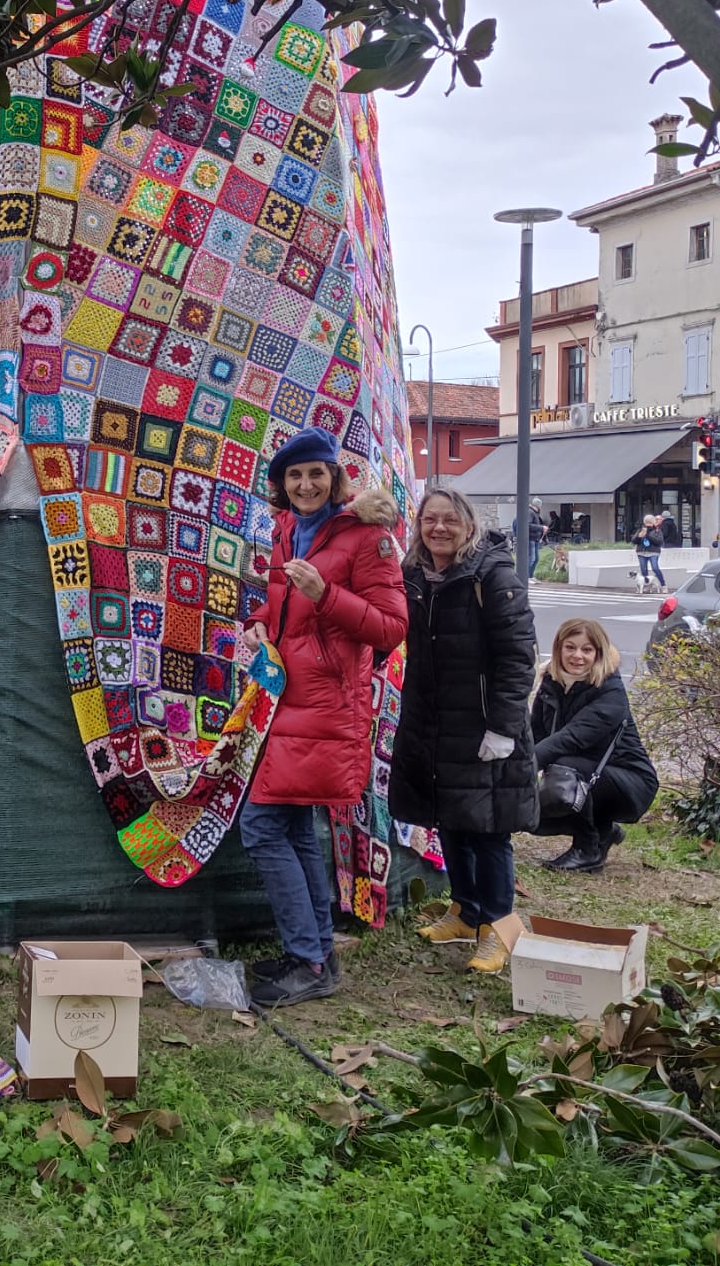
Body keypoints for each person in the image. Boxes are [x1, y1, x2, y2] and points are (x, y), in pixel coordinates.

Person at [235, 427, 408, 1007]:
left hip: (328, 705)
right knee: (292, 831)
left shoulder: (367, 538)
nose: (306, 485)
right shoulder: (289, 529)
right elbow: (285, 602)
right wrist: (260, 618)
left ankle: (308, 959)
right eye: (294, 476)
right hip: (287, 698)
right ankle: (314, 954)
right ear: (283, 486)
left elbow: (390, 628)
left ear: (335, 478)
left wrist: (326, 594)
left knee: (262, 828)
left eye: (316, 473)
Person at [392, 486, 538, 974]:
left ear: (469, 526)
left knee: (489, 828)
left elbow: (519, 658)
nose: (439, 529)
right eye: (429, 520)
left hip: (482, 724)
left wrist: (503, 728)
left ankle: (500, 925)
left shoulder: (493, 576)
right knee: (450, 816)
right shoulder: (413, 575)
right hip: (434, 720)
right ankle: (466, 910)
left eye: (449, 520)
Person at [528, 619, 659, 872]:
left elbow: (571, 738)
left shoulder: (610, 691)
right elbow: (537, 734)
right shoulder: (551, 682)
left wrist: (524, 766)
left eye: (587, 650)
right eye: (570, 647)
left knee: (563, 773)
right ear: (559, 649)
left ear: (598, 653)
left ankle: (587, 849)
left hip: (630, 781)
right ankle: (603, 830)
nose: (577, 656)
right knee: (533, 812)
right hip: (587, 773)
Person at [634, 514, 667, 594]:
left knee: (655, 568)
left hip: (653, 552)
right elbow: (634, 541)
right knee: (643, 569)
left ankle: (663, 585)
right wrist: (639, 536)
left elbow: (659, 542)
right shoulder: (641, 530)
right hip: (642, 552)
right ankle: (647, 585)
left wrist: (648, 535)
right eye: (646, 523)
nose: (648, 525)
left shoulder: (657, 531)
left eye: (650, 523)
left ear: (653, 523)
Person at [526, 499, 546, 578]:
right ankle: (527, 577)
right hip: (531, 538)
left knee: (535, 559)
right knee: (532, 559)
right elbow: (528, 525)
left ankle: (530, 576)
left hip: (535, 539)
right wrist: (541, 528)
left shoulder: (534, 513)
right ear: (538, 505)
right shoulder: (530, 512)